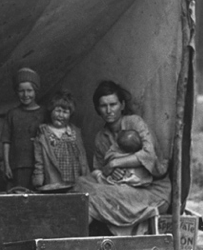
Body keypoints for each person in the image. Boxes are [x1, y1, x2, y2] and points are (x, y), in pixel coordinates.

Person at [73, 80, 171, 237]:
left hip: (151, 191)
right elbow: (99, 169)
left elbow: (148, 155)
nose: (109, 110)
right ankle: (76, 240)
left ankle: (76, 240)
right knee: (80, 184)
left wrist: (115, 163)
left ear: (123, 105)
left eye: (113, 104)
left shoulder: (134, 123)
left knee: (90, 197)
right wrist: (108, 173)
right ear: (98, 109)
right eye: (103, 106)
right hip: (120, 188)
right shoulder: (101, 137)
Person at [32, 90, 90, 192]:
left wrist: (86, 177)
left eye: (65, 112)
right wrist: (38, 180)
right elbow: (39, 159)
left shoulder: (75, 132)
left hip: (74, 181)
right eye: (58, 111)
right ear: (51, 111)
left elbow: (82, 157)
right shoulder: (44, 133)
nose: (61, 115)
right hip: (54, 182)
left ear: (70, 114)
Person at [1, 68, 45, 191]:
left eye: (29, 90)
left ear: (35, 90)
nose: (25, 95)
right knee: (19, 196)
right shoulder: (12, 114)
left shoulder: (44, 113)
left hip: (40, 166)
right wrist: (6, 165)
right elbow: (6, 141)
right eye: (21, 91)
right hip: (18, 166)